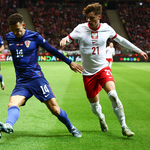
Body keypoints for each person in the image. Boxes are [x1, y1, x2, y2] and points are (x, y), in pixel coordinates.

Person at [60, 3, 148, 137]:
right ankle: (101, 117)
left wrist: (139, 51)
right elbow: (69, 37)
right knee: (95, 107)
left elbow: (121, 40)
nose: (88, 20)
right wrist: (65, 39)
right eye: (87, 18)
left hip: (102, 68)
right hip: (87, 73)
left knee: (113, 95)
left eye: (92, 18)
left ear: (99, 17)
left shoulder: (106, 28)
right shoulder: (81, 28)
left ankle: (124, 126)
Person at [0, 13, 83, 137]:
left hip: (37, 79)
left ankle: (71, 128)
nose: (15, 33)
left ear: (23, 25)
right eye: (13, 30)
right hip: (22, 82)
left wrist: (69, 62)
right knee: (12, 103)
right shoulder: (9, 37)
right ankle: (8, 125)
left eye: (17, 30)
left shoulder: (34, 37)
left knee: (55, 109)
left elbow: (52, 50)